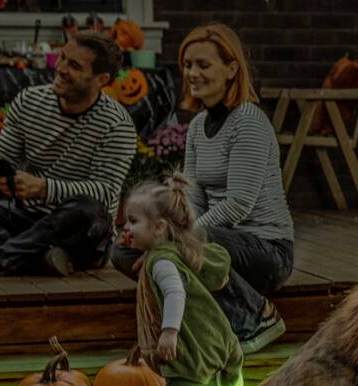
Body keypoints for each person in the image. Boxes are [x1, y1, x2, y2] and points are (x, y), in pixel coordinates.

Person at [112, 23, 291, 352]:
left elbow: (239, 204)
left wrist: (176, 236)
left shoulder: (248, 121)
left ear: (231, 69)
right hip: (214, 245)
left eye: (204, 65)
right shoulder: (197, 126)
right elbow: (192, 197)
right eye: (188, 65)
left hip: (265, 251)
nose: (193, 73)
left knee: (186, 239)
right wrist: (159, 231)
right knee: (122, 247)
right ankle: (199, 312)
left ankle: (256, 315)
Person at [0, 31, 136, 276]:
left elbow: (104, 194)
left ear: (101, 79)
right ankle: (35, 257)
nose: (60, 68)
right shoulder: (30, 101)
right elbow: (5, 173)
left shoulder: (116, 124)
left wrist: (44, 188)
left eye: (74, 65)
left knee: (88, 208)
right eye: (62, 57)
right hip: (26, 221)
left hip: (81, 235)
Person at [120, 174, 245, 386]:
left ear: (160, 227)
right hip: (214, 333)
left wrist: (169, 332)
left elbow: (175, 293)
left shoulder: (162, 261)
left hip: (191, 340)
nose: (126, 227)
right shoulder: (168, 251)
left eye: (133, 221)